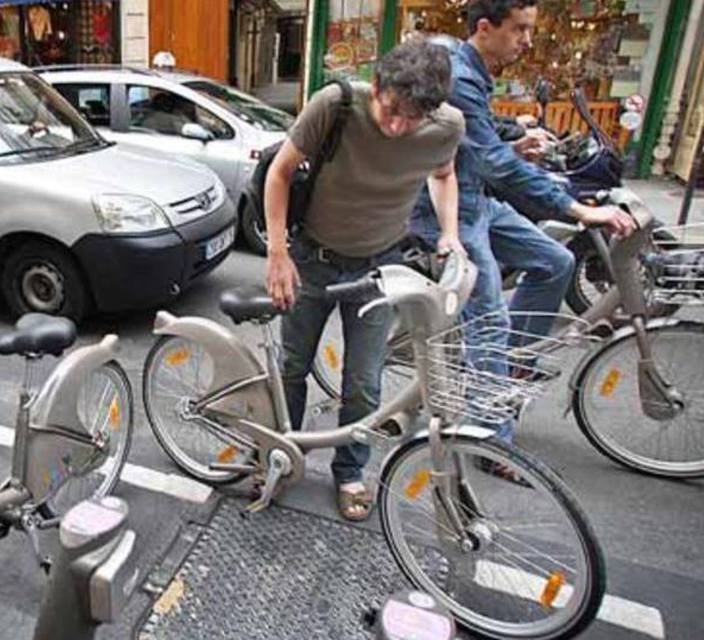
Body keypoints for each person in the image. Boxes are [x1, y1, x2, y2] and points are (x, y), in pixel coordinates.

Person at [410, 0, 634, 462]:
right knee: (488, 318)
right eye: (519, 30)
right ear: (486, 27)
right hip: (448, 210)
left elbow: (481, 136)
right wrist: (574, 208)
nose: (527, 40)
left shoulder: (474, 68)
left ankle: (504, 370)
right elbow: (494, 162)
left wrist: (517, 132)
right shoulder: (460, 75)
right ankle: (492, 445)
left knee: (556, 261)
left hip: (478, 198)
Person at [264, 40, 466, 522]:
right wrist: (277, 253)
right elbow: (280, 173)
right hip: (312, 257)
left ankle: (350, 472)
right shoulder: (335, 105)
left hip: (381, 265)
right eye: (391, 110)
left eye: (411, 118)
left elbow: (443, 175)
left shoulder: (447, 127)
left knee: (363, 383)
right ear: (376, 87)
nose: (397, 126)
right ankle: (281, 454)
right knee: (293, 365)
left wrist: (451, 234)